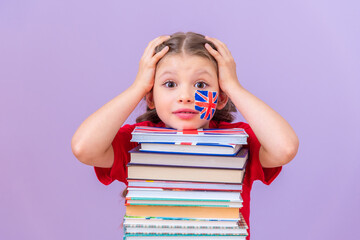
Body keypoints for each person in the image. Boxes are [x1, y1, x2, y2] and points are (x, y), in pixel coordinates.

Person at [71, 32, 299, 240]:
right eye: (170, 84)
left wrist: (233, 86)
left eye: (201, 84)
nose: (185, 96)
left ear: (220, 97)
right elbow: (84, 148)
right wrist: (138, 87)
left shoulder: (238, 143)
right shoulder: (135, 143)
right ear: (150, 97)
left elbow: (284, 148)